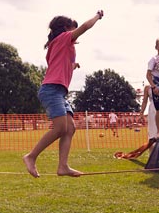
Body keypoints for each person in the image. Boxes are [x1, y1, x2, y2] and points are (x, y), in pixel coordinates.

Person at [23, 10, 104, 178]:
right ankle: (31, 156)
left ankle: (63, 166)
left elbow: (58, 64)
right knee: (60, 128)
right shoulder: (64, 38)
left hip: (58, 91)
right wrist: (97, 16)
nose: (76, 37)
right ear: (66, 28)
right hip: (51, 90)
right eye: (73, 30)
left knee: (70, 128)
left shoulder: (56, 45)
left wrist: (73, 66)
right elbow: (85, 26)